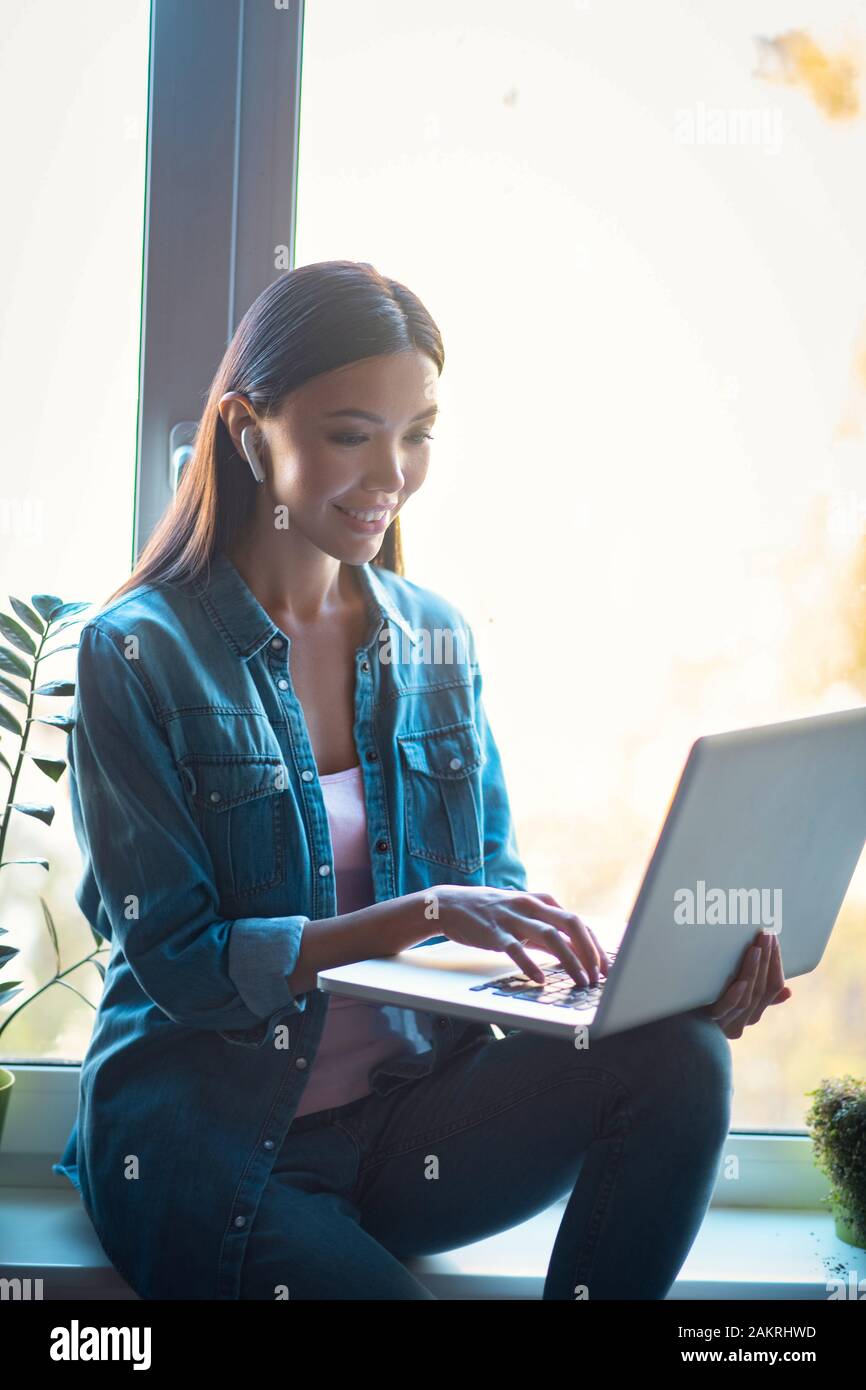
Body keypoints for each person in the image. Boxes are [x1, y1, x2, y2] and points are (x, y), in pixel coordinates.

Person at [52, 260, 791, 1300]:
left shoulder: (433, 635)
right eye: (350, 433)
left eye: (418, 433)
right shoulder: (136, 652)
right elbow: (178, 961)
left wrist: (642, 980)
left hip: (411, 1136)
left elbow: (487, 897)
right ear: (248, 430)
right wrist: (422, 911)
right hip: (214, 1152)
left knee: (677, 1054)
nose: (390, 473)